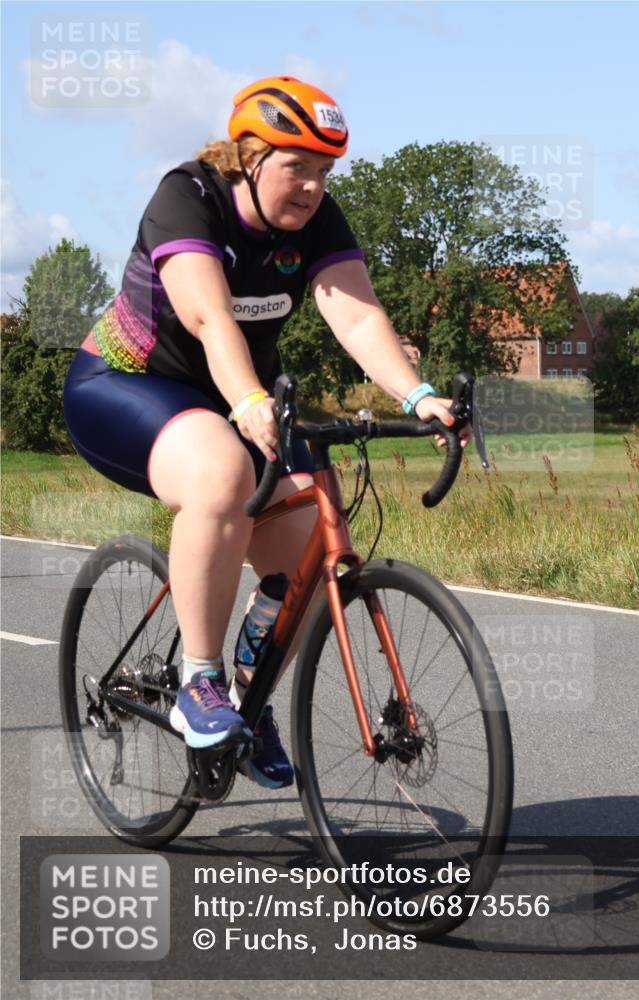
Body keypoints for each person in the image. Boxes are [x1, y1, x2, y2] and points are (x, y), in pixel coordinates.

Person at [63, 75, 470, 789]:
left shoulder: (318, 220)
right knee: (223, 471)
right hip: (124, 384)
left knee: (315, 536)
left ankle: (249, 692)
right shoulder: (187, 196)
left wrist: (419, 392)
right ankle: (199, 681)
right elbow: (207, 316)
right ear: (249, 158)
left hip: (236, 395)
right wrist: (247, 397)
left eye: (324, 171)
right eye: (297, 167)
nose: (312, 187)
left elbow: (357, 316)